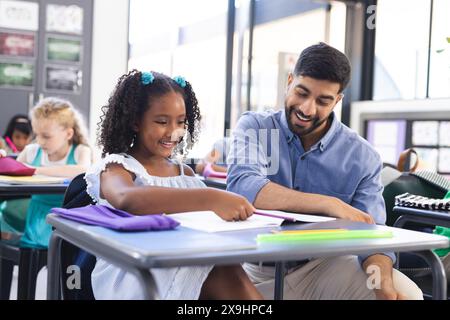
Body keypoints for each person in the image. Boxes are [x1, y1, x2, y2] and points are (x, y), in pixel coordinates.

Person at [227, 42, 423, 300]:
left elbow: (371, 236)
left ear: (338, 100)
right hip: (258, 270)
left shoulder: (362, 156)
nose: (307, 109)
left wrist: (382, 282)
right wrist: (328, 204)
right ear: (289, 81)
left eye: (323, 101)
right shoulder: (256, 127)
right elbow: (244, 186)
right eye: (302, 92)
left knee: (405, 293)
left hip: (325, 266)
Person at [84, 70, 262, 300]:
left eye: (180, 122)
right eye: (161, 122)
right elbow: (126, 198)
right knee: (223, 271)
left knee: (226, 267)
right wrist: (211, 199)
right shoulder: (117, 167)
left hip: (185, 256)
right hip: (134, 270)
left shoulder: (183, 173)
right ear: (136, 122)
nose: (173, 132)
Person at [15, 97, 92, 248]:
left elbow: (82, 171)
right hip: (37, 218)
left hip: (69, 218)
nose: (40, 141)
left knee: (66, 252)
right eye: (36, 134)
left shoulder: (80, 151)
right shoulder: (32, 151)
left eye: (46, 136)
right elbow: (14, 170)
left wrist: (35, 170)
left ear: (68, 134)